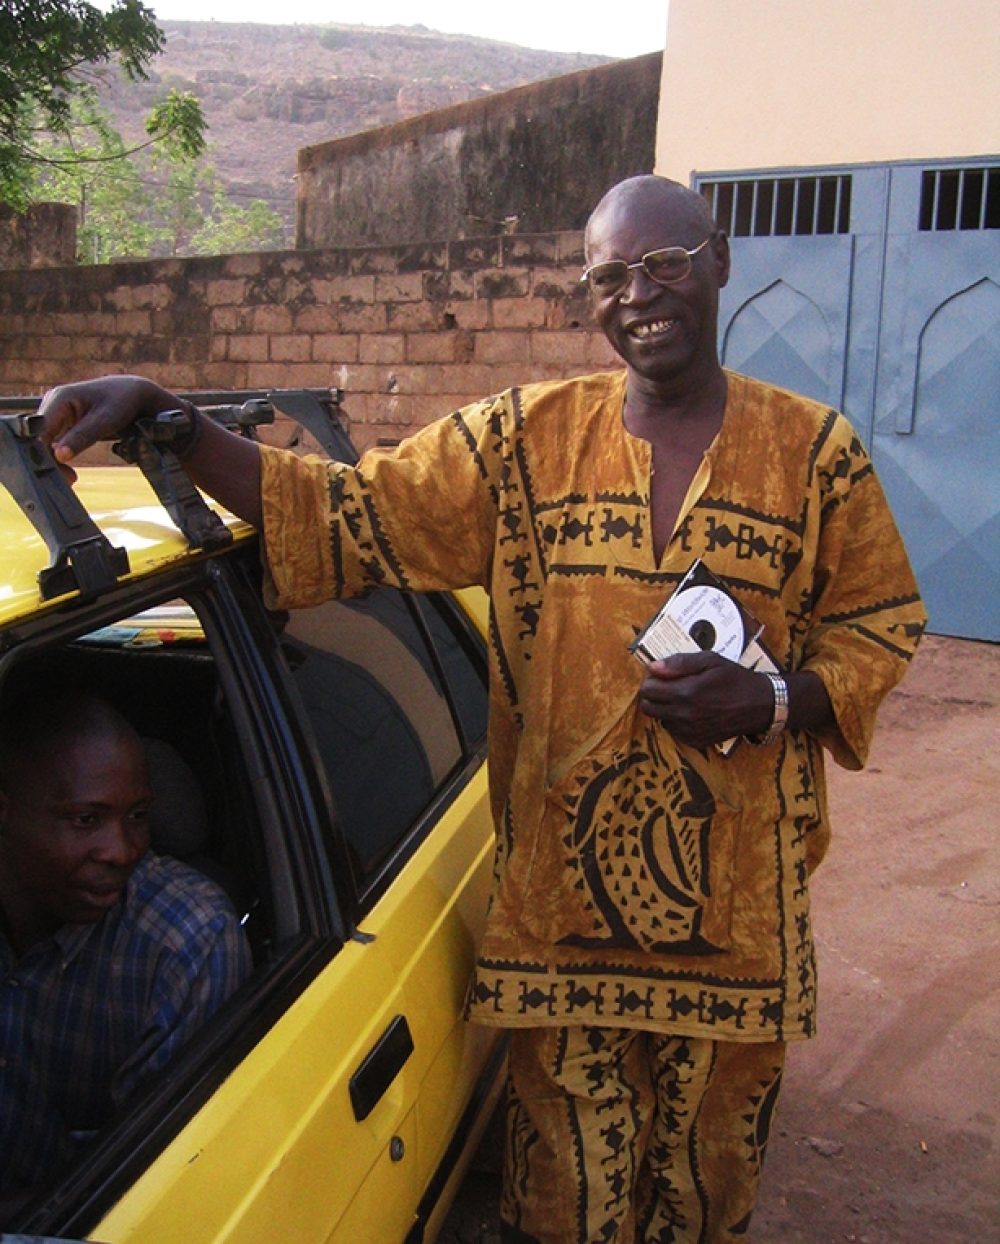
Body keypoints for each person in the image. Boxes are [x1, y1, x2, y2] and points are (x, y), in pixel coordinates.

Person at [37, 175, 926, 1243]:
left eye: (664, 265)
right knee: (565, 1208)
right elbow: (346, 512)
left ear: (720, 261)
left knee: (703, 1192)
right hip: (563, 927)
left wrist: (774, 695)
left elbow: (879, 622)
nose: (638, 295)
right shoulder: (522, 441)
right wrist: (173, 421)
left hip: (736, 931)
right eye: (609, 276)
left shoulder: (816, 453)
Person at [0, 683, 251, 1207]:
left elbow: (153, 1187)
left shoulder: (187, 943)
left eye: (137, 816)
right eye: (85, 820)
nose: (121, 850)